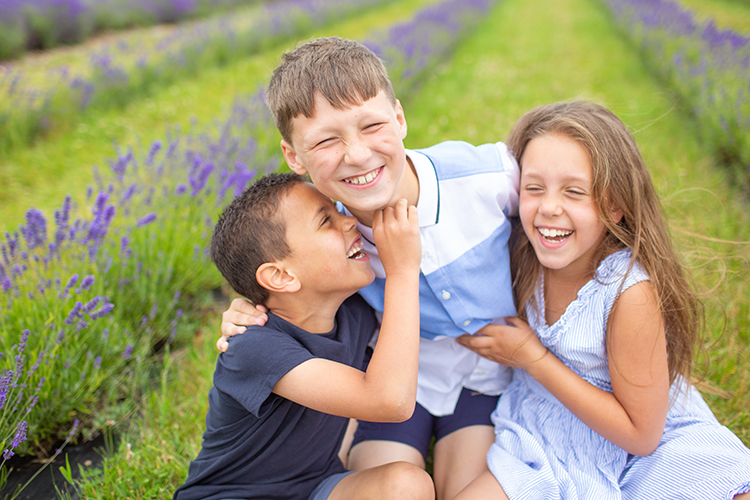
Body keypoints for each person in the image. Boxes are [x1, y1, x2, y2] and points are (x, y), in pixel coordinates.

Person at [218, 36, 519, 499]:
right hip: (400, 380)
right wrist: (251, 311)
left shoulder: (488, 179)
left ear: (399, 118)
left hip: (485, 376)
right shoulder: (332, 245)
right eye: (326, 140)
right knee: (395, 481)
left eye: (371, 125)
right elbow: (294, 294)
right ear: (294, 156)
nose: (356, 155)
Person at [453, 101, 750, 499]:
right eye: (534, 188)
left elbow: (642, 436)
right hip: (545, 436)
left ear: (615, 205)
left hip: (646, 448)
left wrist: (531, 357)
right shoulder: (520, 253)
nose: (549, 208)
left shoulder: (628, 293)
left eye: (574, 192)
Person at [173, 173, 434, 500]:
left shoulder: (354, 312)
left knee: (407, 485)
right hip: (233, 495)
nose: (350, 220)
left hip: (316, 487)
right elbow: (389, 401)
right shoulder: (254, 346)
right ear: (280, 276)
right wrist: (402, 270)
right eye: (326, 220)